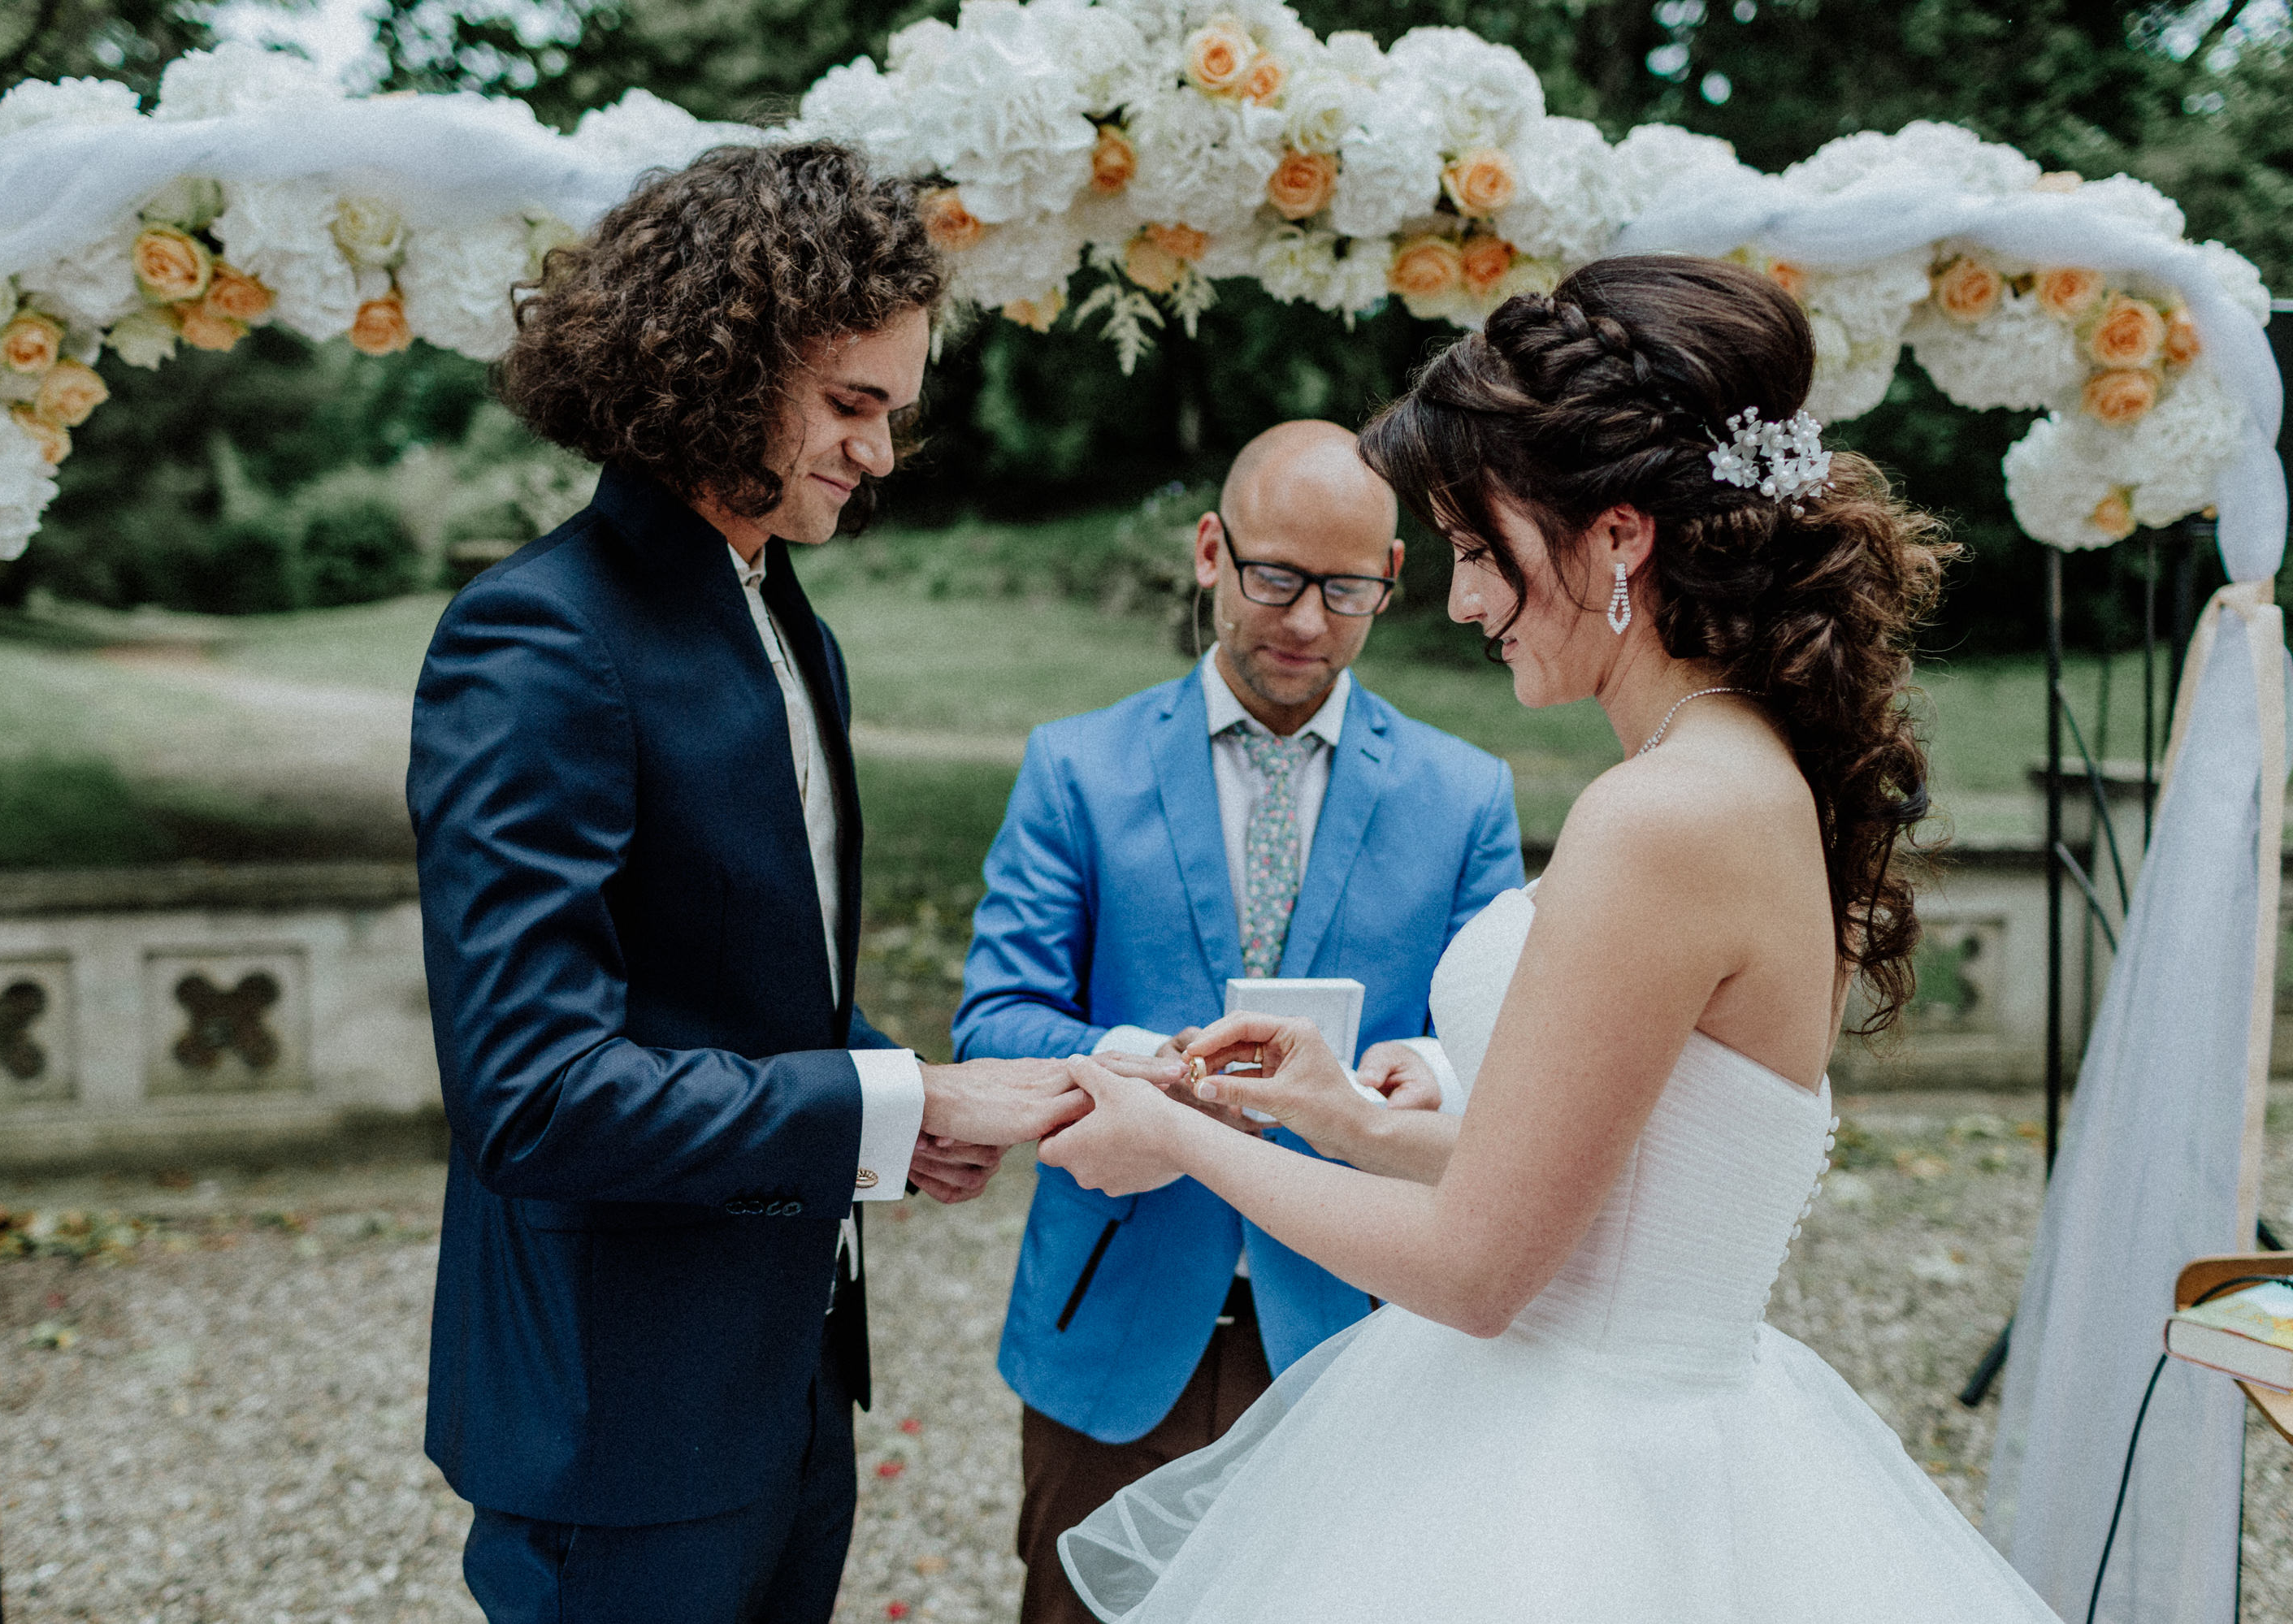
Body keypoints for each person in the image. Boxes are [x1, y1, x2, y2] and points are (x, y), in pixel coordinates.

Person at [1036, 258, 2065, 1622]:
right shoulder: (1748, 769)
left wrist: (1176, 1135)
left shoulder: (1663, 817)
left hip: (1575, 1477)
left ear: (1618, 535)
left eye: (1478, 549)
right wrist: (1347, 1118)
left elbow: (1475, 1271)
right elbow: (1602, 1177)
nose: (1459, 602)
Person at [407, 141, 1173, 1624]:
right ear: (714, 366)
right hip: (617, 1412)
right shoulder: (540, 641)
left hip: (789, 1381)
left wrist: (894, 1108)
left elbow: (741, 988)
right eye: (851, 405)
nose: (881, 454)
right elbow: (536, 1092)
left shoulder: (784, 615)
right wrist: (895, 1108)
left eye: (895, 410)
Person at [953, 419, 1525, 1624]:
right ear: (1211, 550)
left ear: (1394, 580)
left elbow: (1495, 1042)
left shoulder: (1463, 793)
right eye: (1274, 576)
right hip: (1111, 1332)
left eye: (1346, 587)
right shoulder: (1076, 768)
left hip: (1362, 1332)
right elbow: (995, 1022)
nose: (1306, 621)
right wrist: (1141, 1074)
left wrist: (1420, 1068)